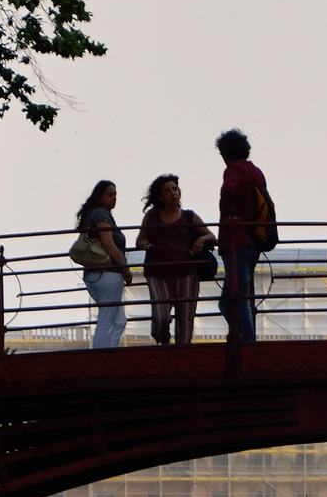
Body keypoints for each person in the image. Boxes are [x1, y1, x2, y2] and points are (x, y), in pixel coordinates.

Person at [136, 174, 214, 346]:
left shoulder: (189, 216)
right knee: (161, 316)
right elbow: (140, 240)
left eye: (175, 189)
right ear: (160, 197)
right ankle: (163, 341)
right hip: (157, 272)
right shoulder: (151, 216)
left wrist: (201, 240)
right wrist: (145, 244)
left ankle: (182, 353)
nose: (173, 193)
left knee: (185, 318)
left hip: (186, 272)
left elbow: (210, 235)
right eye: (167, 191)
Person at [215, 129, 268, 343]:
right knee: (238, 295)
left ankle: (247, 343)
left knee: (237, 298)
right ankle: (245, 338)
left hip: (236, 239)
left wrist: (230, 214)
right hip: (254, 239)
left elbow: (229, 189)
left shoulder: (233, 171)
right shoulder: (256, 171)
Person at [76, 180, 133, 349]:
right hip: (107, 272)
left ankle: (108, 351)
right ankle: (101, 357)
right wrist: (125, 267)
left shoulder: (94, 214)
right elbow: (108, 243)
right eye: (110, 195)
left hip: (98, 274)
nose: (114, 198)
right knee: (108, 317)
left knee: (119, 319)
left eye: (115, 194)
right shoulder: (100, 214)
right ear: (100, 197)